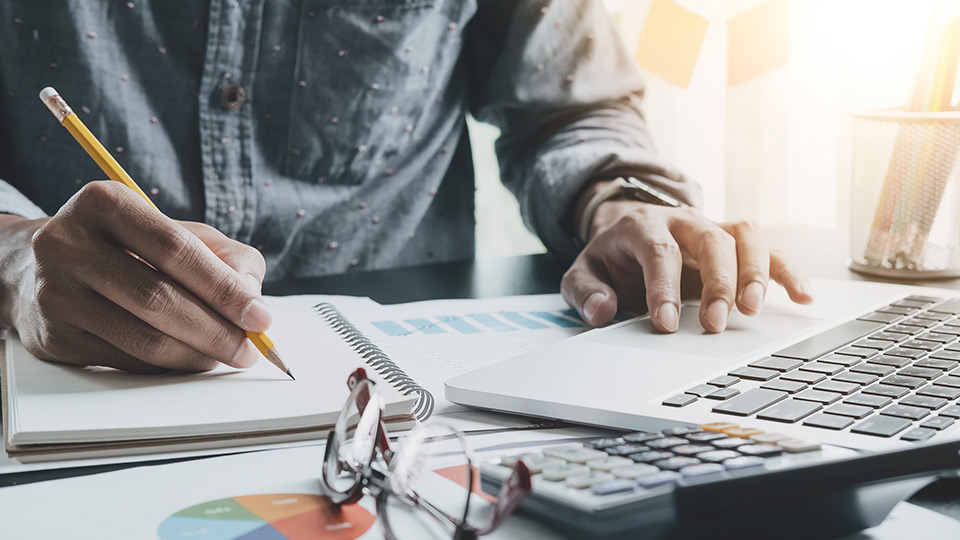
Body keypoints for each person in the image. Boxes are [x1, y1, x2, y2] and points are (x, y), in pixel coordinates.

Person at [0, 1, 812, 374]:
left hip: (412, 407)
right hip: (58, 377)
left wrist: (623, 198)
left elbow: (570, 103)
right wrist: (14, 259)